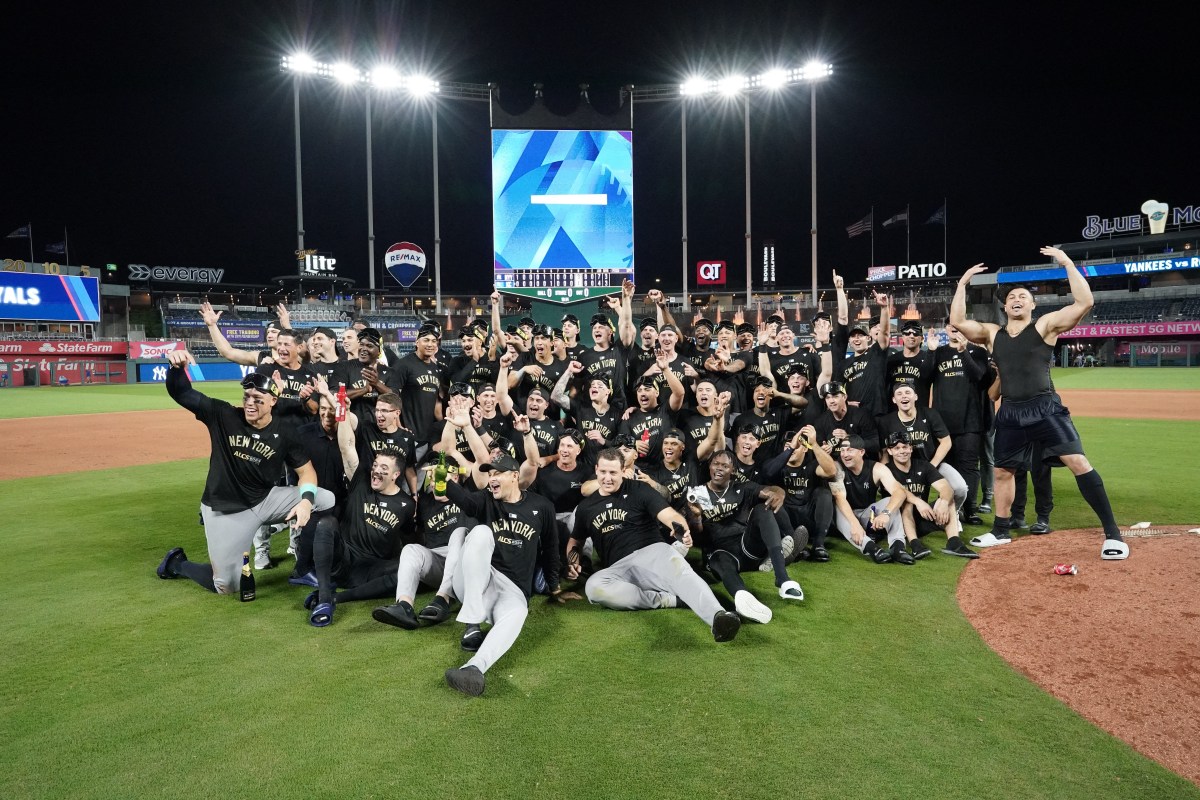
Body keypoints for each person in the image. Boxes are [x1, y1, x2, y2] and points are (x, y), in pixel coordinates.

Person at [951, 247, 1128, 559]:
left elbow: (1085, 302)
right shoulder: (992, 334)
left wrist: (1068, 263)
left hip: (1045, 408)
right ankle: (1001, 530)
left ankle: (1113, 535)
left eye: (1023, 296)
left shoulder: (1044, 326)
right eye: (1012, 297)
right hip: (1009, 412)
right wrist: (962, 284)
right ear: (1005, 306)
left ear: (1033, 304)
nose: (1017, 300)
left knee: (1078, 462)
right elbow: (957, 320)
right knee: (1003, 471)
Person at [155, 351, 335, 595]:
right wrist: (176, 369)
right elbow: (183, 393)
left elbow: (306, 472)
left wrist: (305, 502)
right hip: (226, 509)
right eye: (247, 396)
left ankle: (303, 566)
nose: (250, 403)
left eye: (258, 399)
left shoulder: (284, 432)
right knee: (227, 586)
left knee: (325, 499)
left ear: (273, 401)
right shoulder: (223, 415)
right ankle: (177, 563)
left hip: (265, 501)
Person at [568, 448, 742, 642]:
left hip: (653, 553)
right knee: (594, 587)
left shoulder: (639, 489)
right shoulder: (586, 508)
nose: (607, 478)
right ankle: (668, 600)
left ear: (623, 471)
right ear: (596, 469)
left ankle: (718, 617)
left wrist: (681, 529)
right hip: (618, 568)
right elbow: (576, 541)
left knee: (681, 572)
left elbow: (669, 515)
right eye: (603, 472)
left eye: (613, 473)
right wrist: (572, 560)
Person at [438, 452, 566, 696]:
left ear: (515, 476)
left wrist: (554, 587)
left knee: (519, 612)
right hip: (479, 581)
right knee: (480, 532)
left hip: (512, 590)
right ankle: (472, 620)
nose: (492, 479)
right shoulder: (485, 500)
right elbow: (466, 501)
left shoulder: (541, 506)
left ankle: (474, 668)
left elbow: (551, 548)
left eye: (497, 473)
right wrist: (444, 482)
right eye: (490, 475)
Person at [300, 422, 416, 626]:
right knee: (326, 523)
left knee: (408, 570)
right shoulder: (362, 481)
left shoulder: (407, 504)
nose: (376, 471)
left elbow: (408, 539)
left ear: (396, 475)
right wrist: (343, 412)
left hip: (370, 572)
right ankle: (325, 597)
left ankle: (337, 598)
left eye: (384, 468)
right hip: (342, 560)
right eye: (375, 465)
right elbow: (346, 447)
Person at [684, 450, 803, 622]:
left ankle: (782, 579)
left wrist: (779, 493)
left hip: (747, 548)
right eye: (715, 464)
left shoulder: (741, 487)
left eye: (725, 466)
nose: (719, 468)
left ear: (733, 470)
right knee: (719, 559)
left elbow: (769, 490)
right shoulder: (698, 493)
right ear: (709, 466)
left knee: (763, 509)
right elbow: (697, 537)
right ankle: (742, 596)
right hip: (720, 552)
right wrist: (696, 517)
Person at [881, 432, 978, 559]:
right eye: (896, 448)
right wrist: (918, 501)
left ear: (911, 448)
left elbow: (946, 488)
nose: (902, 451)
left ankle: (954, 543)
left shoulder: (923, 466)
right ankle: (915, 545)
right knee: (907, 503)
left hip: (924, 516)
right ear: (889, 451)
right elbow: (900, 492)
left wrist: (943, 502)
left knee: (948, 500)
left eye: (905, 447)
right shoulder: (885, 470)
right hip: (898, 523)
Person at [831, 435, 909, 564]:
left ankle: (898, 547)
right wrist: (855, 524)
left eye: (850, 450)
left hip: (868, 516)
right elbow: (840, 499)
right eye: (842, 450)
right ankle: (872, 548)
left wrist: (886, 514)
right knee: (836, 506)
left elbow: (899, 492)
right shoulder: (837, 467)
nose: (845, 454)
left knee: (890, 500)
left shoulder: (876, 468)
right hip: (846, 519)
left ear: (861, 452)